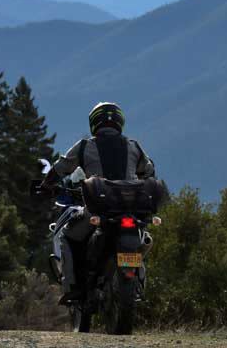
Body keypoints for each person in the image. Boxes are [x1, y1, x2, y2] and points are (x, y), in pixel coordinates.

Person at [41, 102, 156, 303]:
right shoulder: (133, 146)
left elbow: (61, 167)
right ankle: (138, 282)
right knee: (141, 233)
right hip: (131, 209)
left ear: (94, 122)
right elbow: (149, 171)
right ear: (120, 122)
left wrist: (46, 184)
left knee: (67, 236)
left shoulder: (85, 146)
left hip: (99, 209)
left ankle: (73, 288)